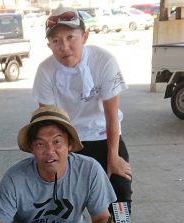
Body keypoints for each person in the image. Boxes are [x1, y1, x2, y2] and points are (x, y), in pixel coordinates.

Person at [0, 105, 121, 223]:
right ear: (31, 148)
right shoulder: (15, 177)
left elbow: (101, 218)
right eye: (40, 144)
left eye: (57, 141)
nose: (49, 151)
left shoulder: (90, 169)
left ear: (70, 144)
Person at [32, 6, 132, 211]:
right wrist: (54, 157)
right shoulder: (45, 70)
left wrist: (113, 158)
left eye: (70, 37)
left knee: (119, 191)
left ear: (85, 36)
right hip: (68, 141)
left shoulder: (104, 61)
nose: (64, 46)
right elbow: (48, 123)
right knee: (64, 199)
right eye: (56, 41)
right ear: (49, 44)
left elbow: (111, 117)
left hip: (104, 136)